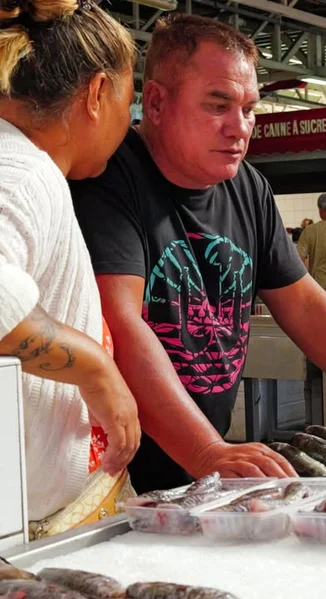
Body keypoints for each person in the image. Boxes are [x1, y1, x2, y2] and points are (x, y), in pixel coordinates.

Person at [69, 15, 326, 494]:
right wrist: (205, 451)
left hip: (202, 460)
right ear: (156, 103)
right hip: (114, 468)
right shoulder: (110, 175)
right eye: (218, 105)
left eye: (248, 108)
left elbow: (304, 304)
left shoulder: (247, 185)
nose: (239, 127)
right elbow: (120, 321)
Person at [0, 0, 141, 537]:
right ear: (98, 93)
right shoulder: (23, 171)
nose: (129, 125)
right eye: (129, 102)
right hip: (32, 524)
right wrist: (94, 369)